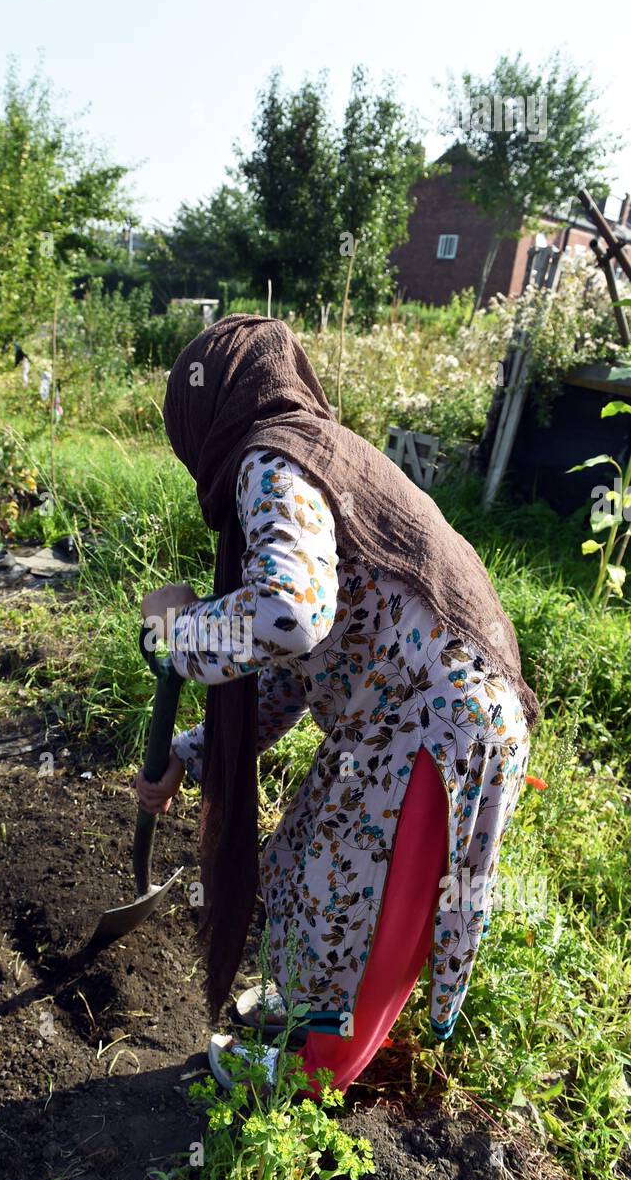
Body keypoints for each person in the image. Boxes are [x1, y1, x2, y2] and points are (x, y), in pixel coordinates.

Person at [136, 314, 537, 1096]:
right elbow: (288, 673)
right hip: (393, 718)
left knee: (359, 907)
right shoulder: (306, 452)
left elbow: (288, 614)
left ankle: (303, 1079)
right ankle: (299, 1017)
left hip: (434, 727)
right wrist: (189, 754)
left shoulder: (270, 460)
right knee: (302, 866)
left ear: (208, 413)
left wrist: (168, 633)